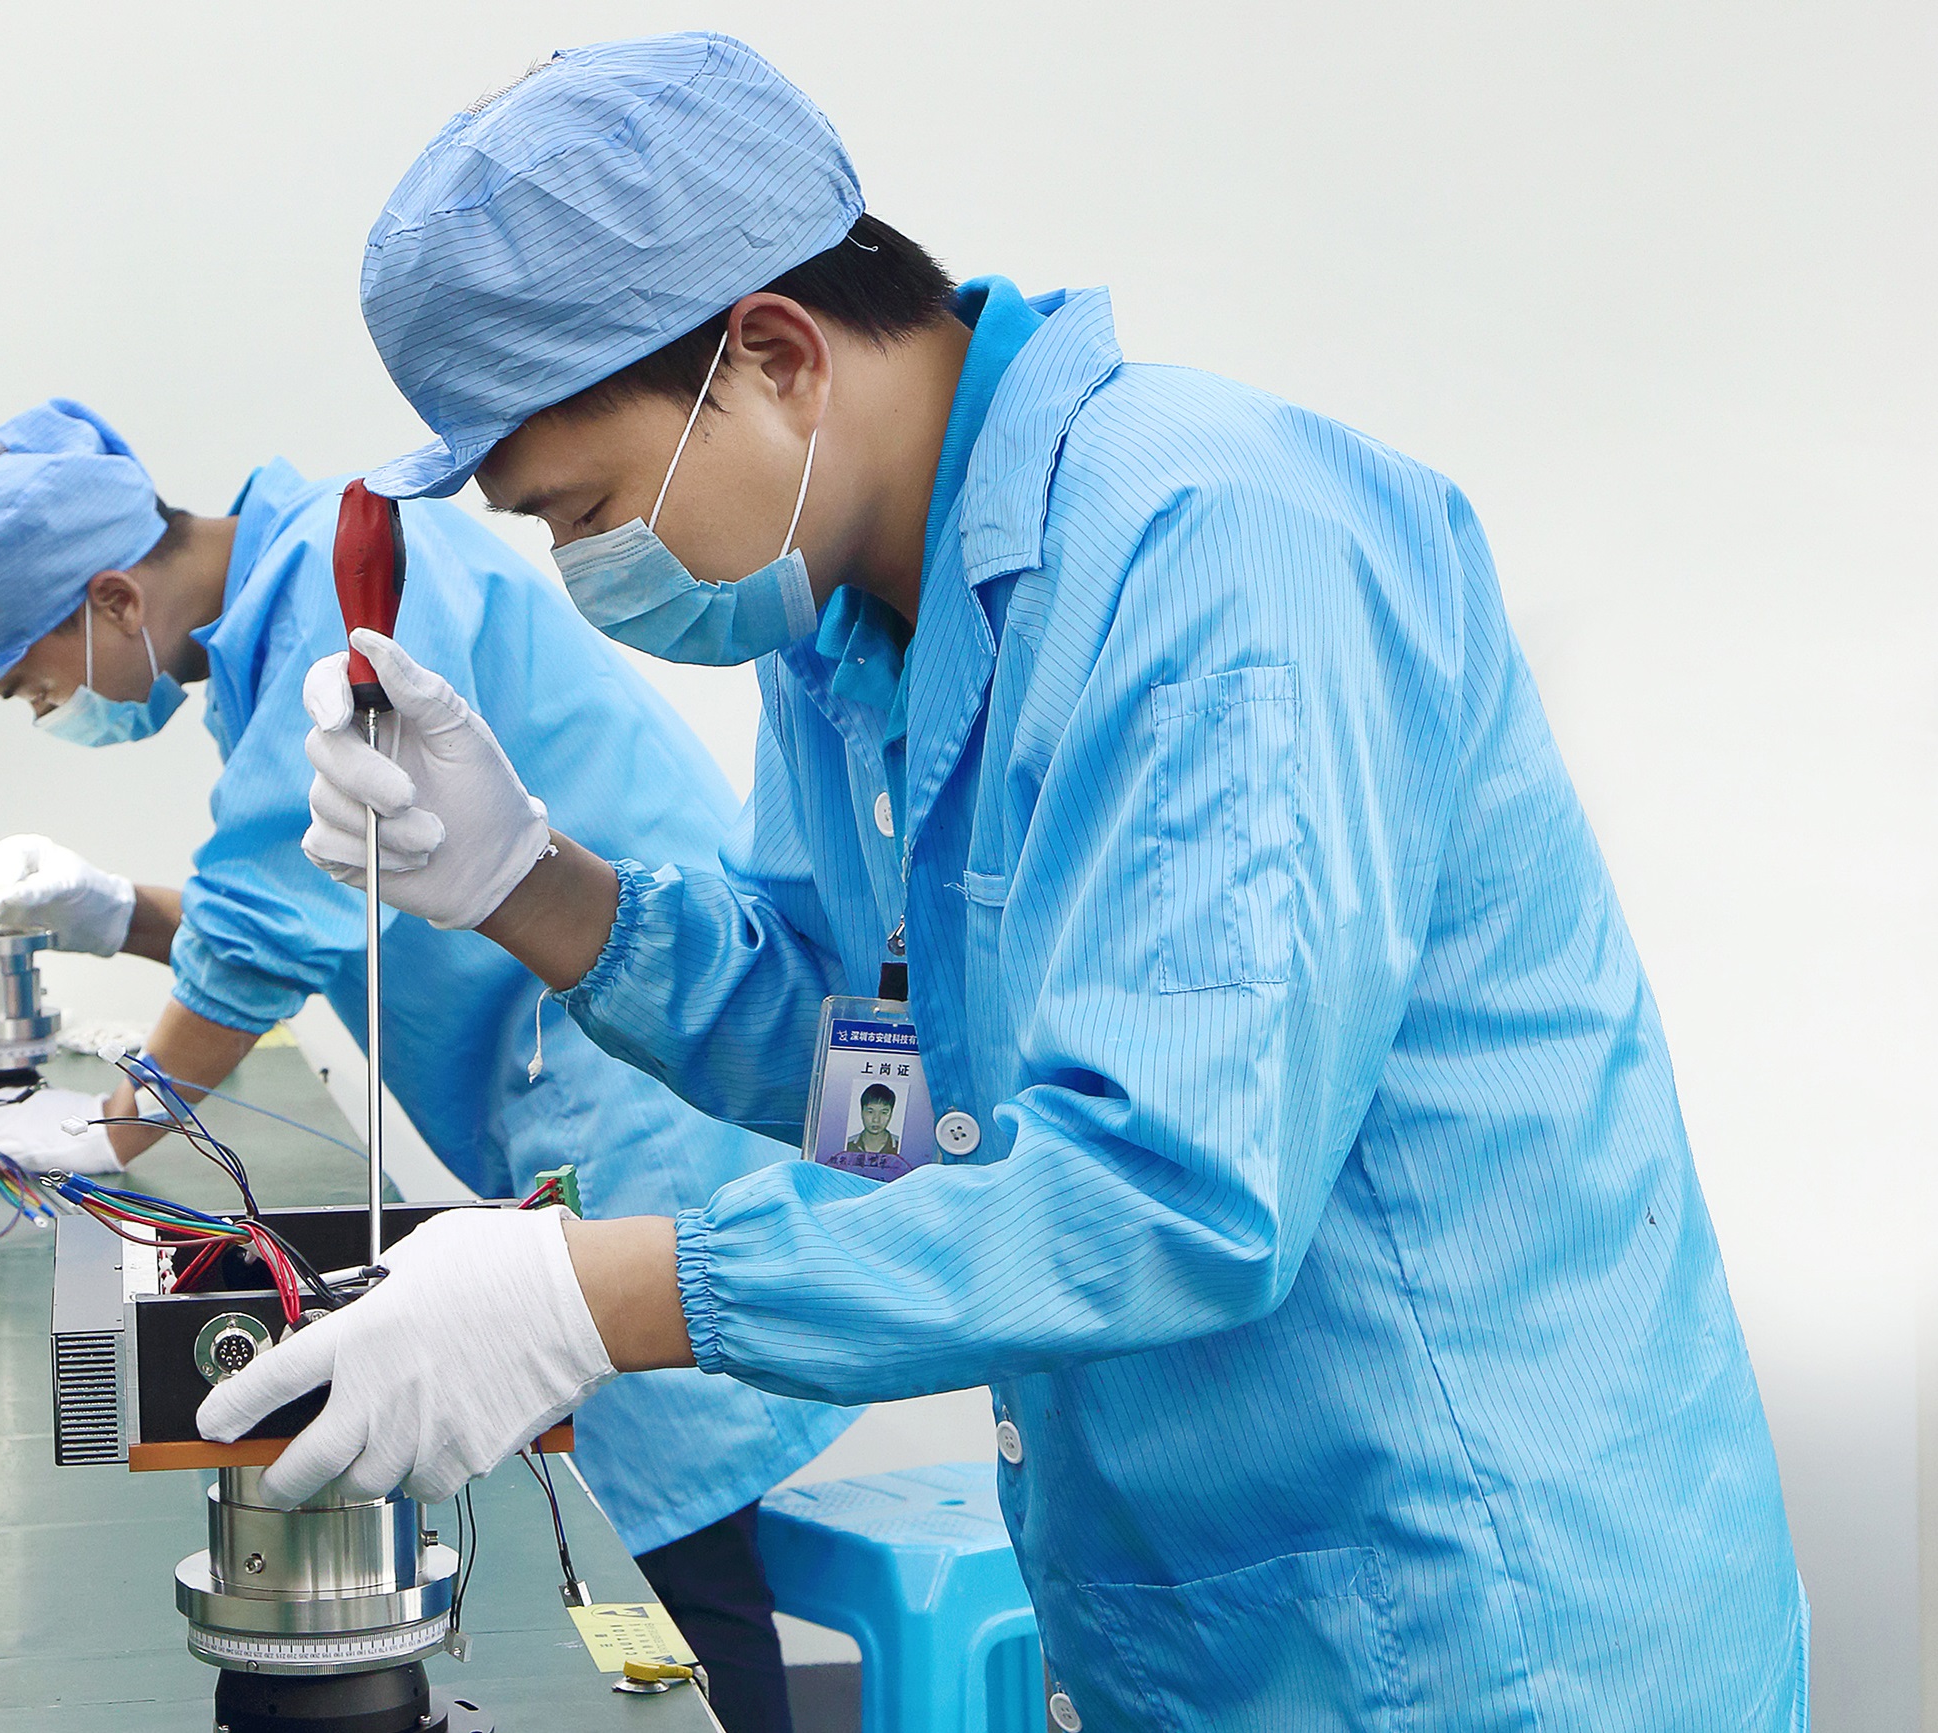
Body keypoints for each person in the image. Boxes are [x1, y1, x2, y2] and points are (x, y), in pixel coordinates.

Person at [198, 33, 1807, 1731]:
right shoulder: (845, 631)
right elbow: (884, 1095)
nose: (581, 566)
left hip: (1471, 1624)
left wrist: (588, 1297)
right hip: (1201, 1616)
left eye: (582, 507)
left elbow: (1168, 1190)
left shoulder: (1214, 551)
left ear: (774, 355)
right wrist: (529, 884)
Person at [0, 397, 857, 1731]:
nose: (48, 709)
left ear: (112, 598)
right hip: (592, 1071)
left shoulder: (338, 576)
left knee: (672, 1556)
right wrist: (114, 913)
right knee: (649, 1538)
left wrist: (113, 1131)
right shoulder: (288, 596)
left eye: (35, 684)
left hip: (649, 1088)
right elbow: (327, 895)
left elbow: (267, 931)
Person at [843, 1084, 898, 1159]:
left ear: (891, 1113)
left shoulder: (900, 1146)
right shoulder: (847, 1145)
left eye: (883, 1112)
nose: (876, 1119)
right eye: (870, 1112)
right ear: (862, 1112)